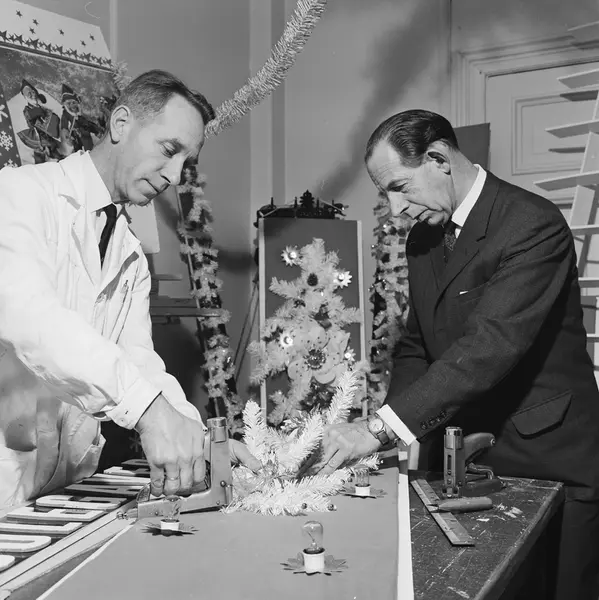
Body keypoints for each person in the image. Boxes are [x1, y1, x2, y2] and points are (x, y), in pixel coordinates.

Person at [310, 109, 599, 600]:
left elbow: (488, 348)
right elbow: (417, 344)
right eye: (386, 194)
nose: (395, 208)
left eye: (400, 187)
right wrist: (392, 438)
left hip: (549, 459)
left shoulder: (531, 223)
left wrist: (378, 428)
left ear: (439, 159)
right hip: (465, 462)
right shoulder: (423, 238)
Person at [0, 69, 260, 509]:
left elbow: (137, 358)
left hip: (67, 480)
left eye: (186, 163)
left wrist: (195, 437)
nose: (175, 176)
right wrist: (150, 413)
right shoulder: (18, 194)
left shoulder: (130, 253)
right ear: (121, 124)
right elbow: (33, 320)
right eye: (169, 150)